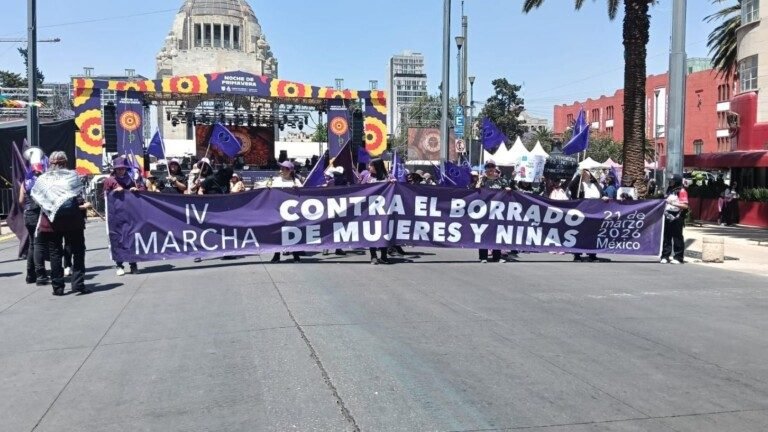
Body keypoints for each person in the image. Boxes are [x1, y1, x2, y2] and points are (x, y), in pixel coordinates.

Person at [30, 151, 91, 296]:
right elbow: (77, 195)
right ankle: (78, 284)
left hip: (51, 222)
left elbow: (38, 198)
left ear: (50, 164)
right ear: (65, 163)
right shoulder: (72, 176)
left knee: (55, 253)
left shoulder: (42, 180)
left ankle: (57, 287)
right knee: (78, 251)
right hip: (73, 221)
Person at [103, 157, 144, 276]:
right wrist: (113, 192)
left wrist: (136, 189)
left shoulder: (132, 179)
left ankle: (133, 264)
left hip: (130, 214)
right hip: (115, 215)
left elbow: (142, 190)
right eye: (118, 169)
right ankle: (119, 264)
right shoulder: (109, 181)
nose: (121, 171)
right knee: (117, 239)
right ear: (115, 170)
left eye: (123, 168)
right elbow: (104, 197)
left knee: (131, 237)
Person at [259, 161, 302, 263]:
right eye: (281, 168)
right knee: (278, 234)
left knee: (293, 233)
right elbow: (262, 188)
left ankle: (296, 255)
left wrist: (297, 189)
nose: (281, 170)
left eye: (284, 169)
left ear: (290, 171)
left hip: (292, 213)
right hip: (277, 212)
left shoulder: (296, 182)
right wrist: (267, 187)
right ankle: (276, 255)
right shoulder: (275, 180)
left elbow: (303, 194)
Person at [18, 164, 49, 285]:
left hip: (27, 214)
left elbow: (21, 201)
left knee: (32, 244)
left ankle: (30, 275)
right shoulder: (41, 183)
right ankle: (40, 275)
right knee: (39, 244)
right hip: (38, 215)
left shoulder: (25, 183)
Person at [476, 161, 511, 263]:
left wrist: (508, 189)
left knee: (497, 233)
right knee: (483, 232)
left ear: (495, 168)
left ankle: (497, 256)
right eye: (488, 166)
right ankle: (483, 256)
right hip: (485, 211)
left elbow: (508, 189)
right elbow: (477, 189)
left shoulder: (501, 181)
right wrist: (480, 179)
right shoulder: (483, 180)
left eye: (492, 166)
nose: (490, 168)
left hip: (498, 211)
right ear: (486, 168)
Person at [568, 169, 604, 262]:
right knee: (579, 233)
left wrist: (604, 197)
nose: (589, 173)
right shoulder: (579, 185)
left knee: (593, 234)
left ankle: (592, 254)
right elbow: (571, 186)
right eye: (587, 172)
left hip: (595, 212)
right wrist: (579, 175)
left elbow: (602, 194)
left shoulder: (595, 184)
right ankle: (577, 255)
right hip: (582, 212)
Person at [363, 158, 392, 265]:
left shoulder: (389, 177)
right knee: (372, 233)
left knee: (384, 233)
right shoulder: (367, 177)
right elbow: (360, 190)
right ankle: (373, 256)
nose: (369, 167)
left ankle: (384, 256)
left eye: (371, 165)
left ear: (376, 166)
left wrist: (393, 184)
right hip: (371, 211)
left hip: (385, 210)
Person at [661, 174, 689, 264]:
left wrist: (673, 203)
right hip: (667, 214)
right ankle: (665, 256)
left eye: (672, 181)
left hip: (677, 215)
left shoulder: (682, 191)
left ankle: (678, 257)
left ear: (676, 181)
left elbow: (685, 205)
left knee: (677, 237)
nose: (670, 182)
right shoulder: (669, 190)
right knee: (666, 236)